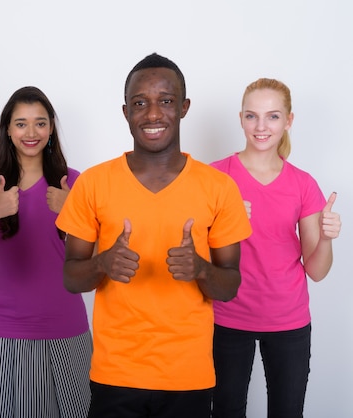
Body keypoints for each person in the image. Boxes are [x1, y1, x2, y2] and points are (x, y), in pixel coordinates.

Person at [55, 53, 253, 418]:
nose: (152, 114)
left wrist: (202, 269)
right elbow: (71, 277)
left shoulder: (219, 188)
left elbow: (230, 286)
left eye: (165, 101)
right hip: (115, 373)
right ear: (126, 111)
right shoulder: (94, 184)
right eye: (140, 103)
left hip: (188, 376)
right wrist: (102, 262)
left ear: (184, 107)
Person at [210, 78, 341, 418]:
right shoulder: (214, 179)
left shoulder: (303, 184)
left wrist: (325, 239)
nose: (261, 126)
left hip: (288, 319)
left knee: (287, 412)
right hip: (227, 316)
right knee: (226, 410)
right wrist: (225, 223)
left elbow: (317, 270)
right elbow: (194, 256)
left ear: (288, 121)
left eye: (272, 116)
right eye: (252, 116)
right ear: (240, 119)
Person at [0, 86, 92, 418]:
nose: (31, 132)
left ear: (51, 128)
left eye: (40, 123)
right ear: (8, 129)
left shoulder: (73, 183)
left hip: (66, 325)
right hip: (2, 326)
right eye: (21, 123)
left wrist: (72, 211)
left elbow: (99, 254)